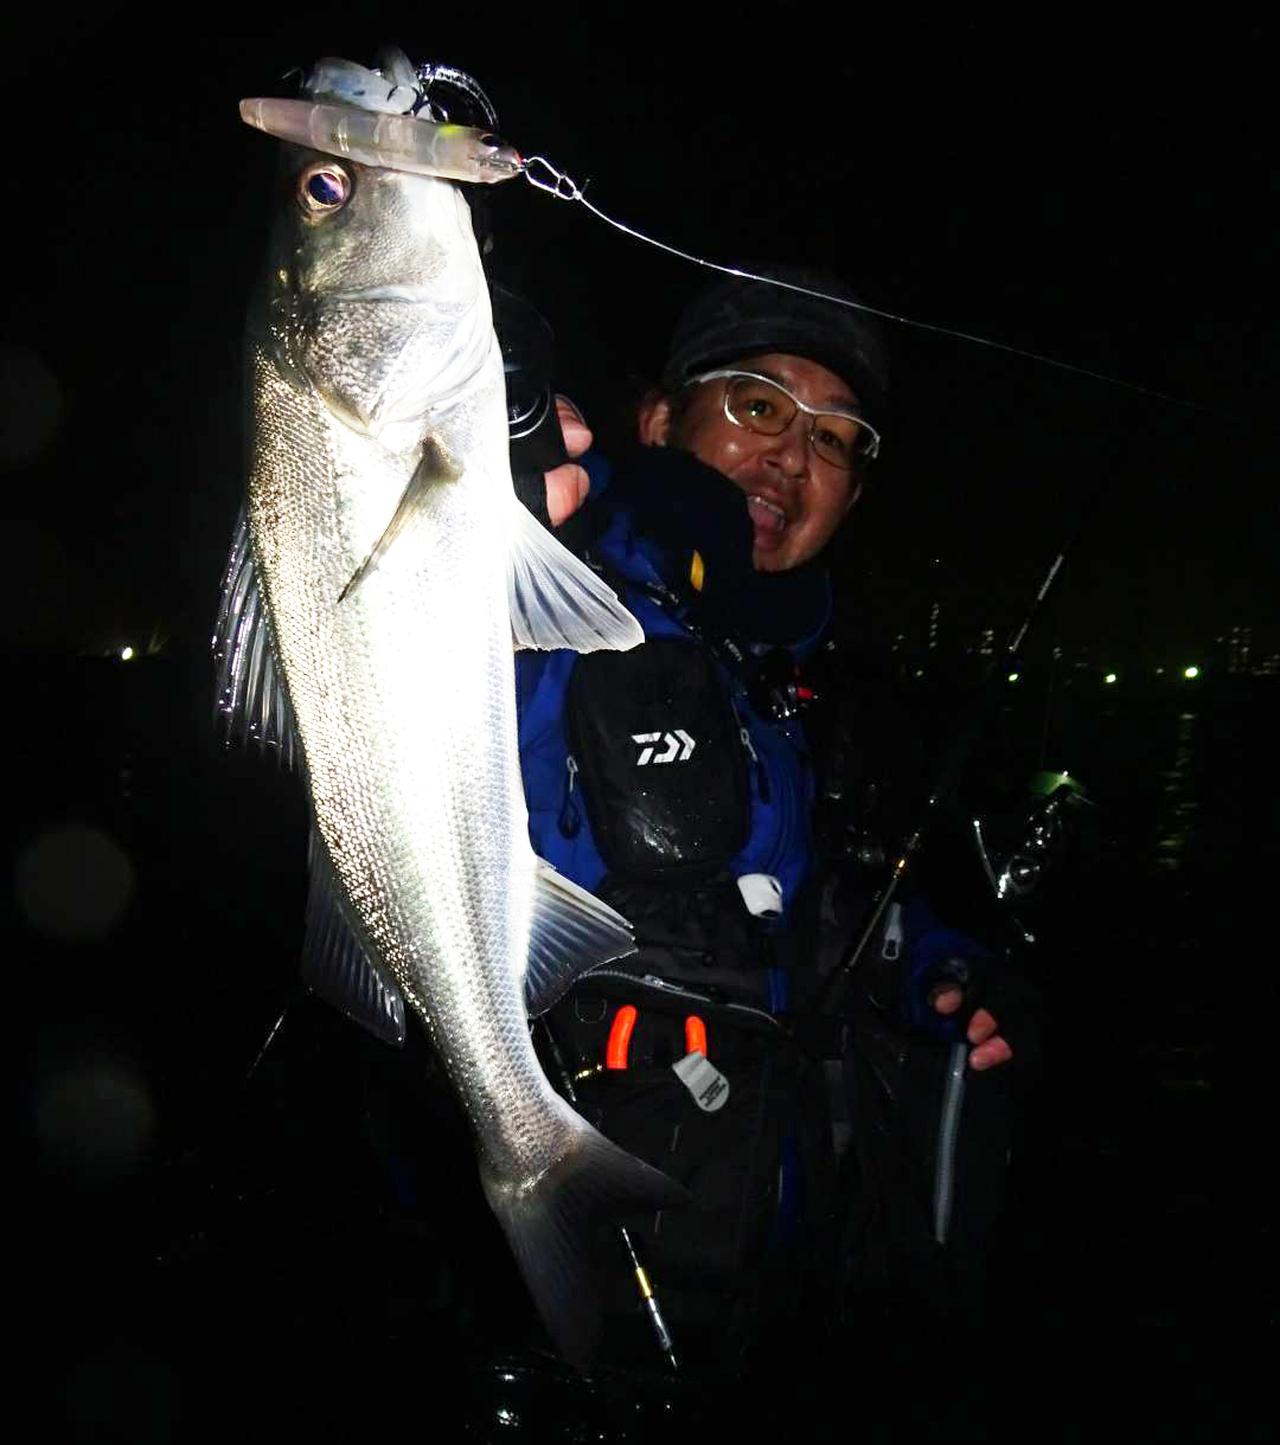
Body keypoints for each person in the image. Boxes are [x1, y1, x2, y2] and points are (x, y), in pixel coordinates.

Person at [514, 271, 1033, 1378]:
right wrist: (511, 466)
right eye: (757, 405)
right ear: (659, 419)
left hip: (795, 1289)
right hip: (581, 1282)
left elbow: (850, 904)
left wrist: (936, 974)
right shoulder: (543, 589)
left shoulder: (823, 689)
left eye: (837, 438)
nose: (794, 456)